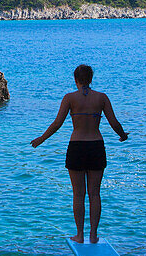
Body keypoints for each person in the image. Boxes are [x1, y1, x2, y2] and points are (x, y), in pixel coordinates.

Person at [30, 64, 128, 244]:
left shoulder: (69, 98)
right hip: (96, 146)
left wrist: (41, 139)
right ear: (91, 79)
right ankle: (93, 235)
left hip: (76, 147)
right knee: (95, 194)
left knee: (78, 194)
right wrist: (122, 136)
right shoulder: (102, 98)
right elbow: (114, 122)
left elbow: (57, 124)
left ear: (75, 79)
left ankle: (79, 235)